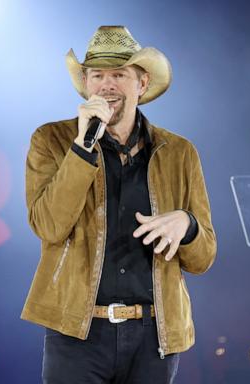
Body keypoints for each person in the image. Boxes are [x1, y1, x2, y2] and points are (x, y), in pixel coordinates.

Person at [21, 25, 217, 384]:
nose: (106, 85)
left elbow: (204, 257)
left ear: (141, 84)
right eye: (97, 75)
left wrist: (186, 226)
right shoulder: (51, 140)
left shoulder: (180, 153)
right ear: (86, 84)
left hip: (154, 336)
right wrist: (82, 148)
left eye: (118, 74)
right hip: (76, 334)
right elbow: (48, 225)